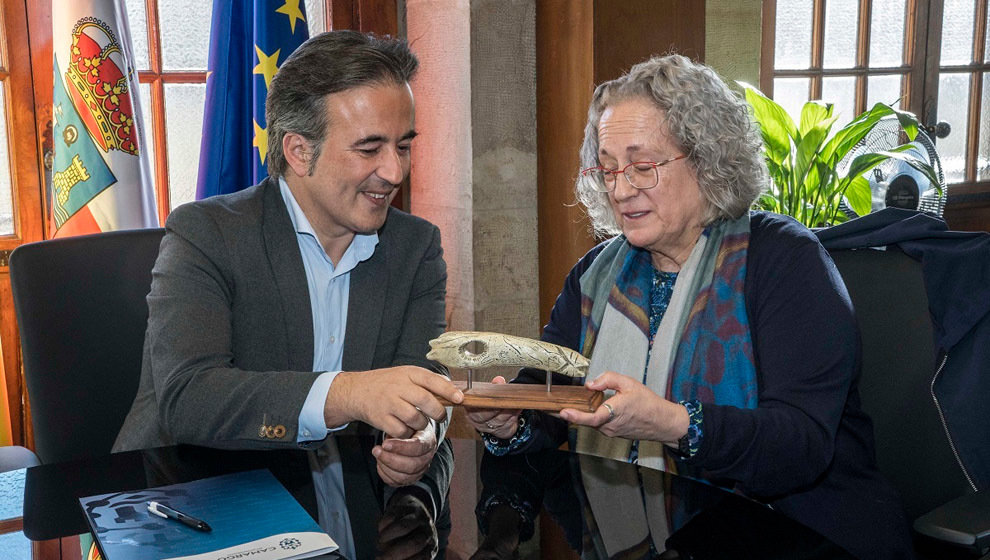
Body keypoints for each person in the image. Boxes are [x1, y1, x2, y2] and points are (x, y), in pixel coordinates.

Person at [467, 54, 912, 560]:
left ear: (706, 159)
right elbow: (554, 395)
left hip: (804, 535)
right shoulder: (598, 274)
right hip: (654, 528)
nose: (619, 189)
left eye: (641, 166)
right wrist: (512, 420)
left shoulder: (783, 261)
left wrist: (673, 423)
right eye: (608, 168)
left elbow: (799, 447)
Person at [114, 30, 464, 560]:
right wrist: (349, 393)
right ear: (299, 152)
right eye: (370, 148)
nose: (394, 172)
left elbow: (423, 379)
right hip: (187, 511)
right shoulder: (205, 234)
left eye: (404, 145)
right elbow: (189, 398)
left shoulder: (416, 249)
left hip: (356, 511)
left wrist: (420, 437)